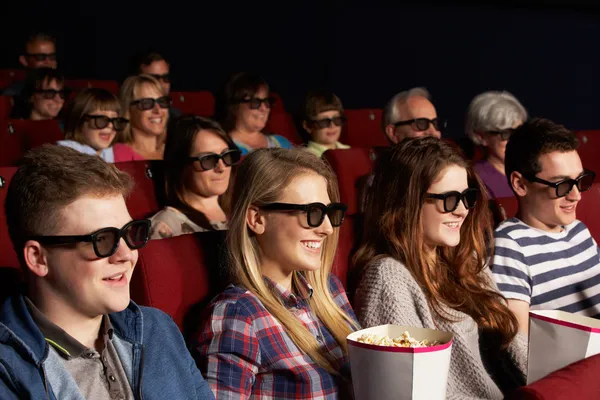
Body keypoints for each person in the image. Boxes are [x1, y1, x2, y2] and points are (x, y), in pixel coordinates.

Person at [0, 145, 214, 399]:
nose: (126, 255)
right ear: (38, 258)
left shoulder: (157, 329)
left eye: (129, 234)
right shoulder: (8, 368)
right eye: (102, 240)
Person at [353, 137, 526, 399]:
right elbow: (414, 389)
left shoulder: (465, 262)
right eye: (448, 199)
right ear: (407, 204)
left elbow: (517, 350)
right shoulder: (388, 277)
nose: (462, 211)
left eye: (467, 197)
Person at [193, 148, 359, 398]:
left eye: (329, 213)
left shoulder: (329, 290)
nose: (327, 229)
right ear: (257, 219)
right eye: (312, 213)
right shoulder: (238, 315)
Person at [492, 118, 600, 334]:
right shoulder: (510, 246)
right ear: (520, 184)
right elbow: (519, 348)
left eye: (579, 181)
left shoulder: (579, 231)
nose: (576, 195)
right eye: (562, 185)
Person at [149, 116, 240, 239]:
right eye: (208, 159)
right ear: (181, 166)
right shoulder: (167, 226)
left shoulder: (244, 214)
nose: (222, 167)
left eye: (227, 155)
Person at [466, 91, 528, 199]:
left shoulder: (531, 170)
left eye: (519, 131)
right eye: (506, 134)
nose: (515, 139)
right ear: (481, 136)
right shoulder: (476, 180)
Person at [59, 88, 144, 162]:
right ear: (79, 121)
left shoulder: (111, 153)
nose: (110, 125)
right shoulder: (64, 156)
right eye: (101, 120)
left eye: (115, 120)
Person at [221, 72, 293, 155]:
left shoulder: (282, 143)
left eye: (266, 101)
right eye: (255, 102)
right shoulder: (224, 147)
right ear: (234, 106)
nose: (264, 108)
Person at [117, 74, 169, 160]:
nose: (158, 110)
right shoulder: (118, 155)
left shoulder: (174, 153)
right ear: (128, 110)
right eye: (147, 103)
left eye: (162, 102)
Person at [2, 31, 58, 97]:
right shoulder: (12, 94)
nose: (48, 62)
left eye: (52, 57)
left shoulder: (66, 94)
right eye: (40, 57)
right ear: (24, 61)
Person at [129, 51, 181, 119]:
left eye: (166, 78)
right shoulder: (119, 115)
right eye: (154, 78)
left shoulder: (175, 117)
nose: (161, 84)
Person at [302, 89, 350, 158]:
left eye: (336, 120)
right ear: (308, 126)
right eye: (324, 121)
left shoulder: (348, 150)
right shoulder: (306, 157)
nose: (332, 125)